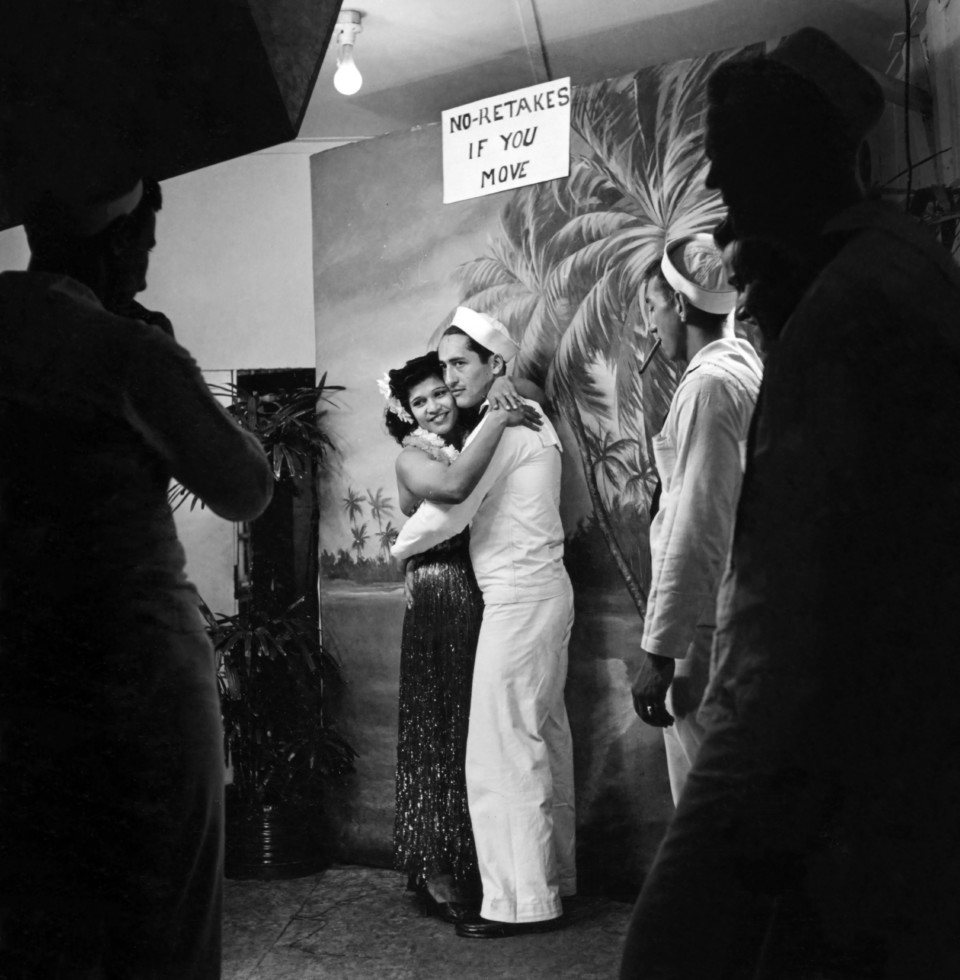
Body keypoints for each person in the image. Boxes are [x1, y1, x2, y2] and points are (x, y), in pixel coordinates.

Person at [620, 27, 960, 980]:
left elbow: (777, 595)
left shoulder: (846, 315)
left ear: (792, 175)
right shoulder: (899, 273)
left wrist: (668, 650)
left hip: (841, 742)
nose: (730, 227)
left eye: (737, 190)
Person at [0, 175, 274, 979]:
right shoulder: (124, 349)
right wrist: (163, 351)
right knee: (161, 923)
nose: (149, 261)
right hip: (134, 676)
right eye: (146, 241)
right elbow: (244, 487)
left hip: (16, 674)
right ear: (118, 241)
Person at [392, 307, 575, 939]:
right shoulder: (526, 412)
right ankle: (555, 881)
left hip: (519, 599)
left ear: (493, 364)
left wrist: (400, 551)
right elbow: (527, 386)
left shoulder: (505, 426)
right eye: (442, 366)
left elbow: (448, 505)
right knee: (544, 738)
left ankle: (520, 904)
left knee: (502, 752)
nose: (448, 378)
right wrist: (504, 388)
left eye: (459, 364)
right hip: (543, 593)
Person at [380, 351, 539, 925]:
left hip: (481, 591)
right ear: (407, 412)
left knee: (479, 727)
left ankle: (477, 860)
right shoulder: (412, 457)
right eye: (418, 402)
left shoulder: (474, 433)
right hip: (437, 592)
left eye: (439, 392)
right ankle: (434, 868)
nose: (433, 407)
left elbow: (523, 387)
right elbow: (450, 489)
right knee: (438, 721)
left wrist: (502, 391)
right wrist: (500, 414)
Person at [631, 235, 762, 803]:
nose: (650, 326)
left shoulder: (709, 389)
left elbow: (696, 525)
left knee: (704, 804)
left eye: (652, 307)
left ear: (680, 305)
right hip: (729, 615)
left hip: (702, 629)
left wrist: (660, 652)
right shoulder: (746, 370)